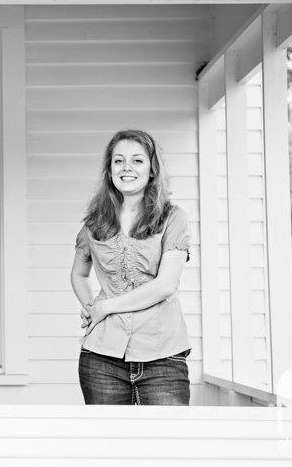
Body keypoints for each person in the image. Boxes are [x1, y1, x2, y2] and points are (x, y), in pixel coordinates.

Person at [70, 129, 192, 405]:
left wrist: (105, 307)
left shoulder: (174, 218)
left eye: (137, 160)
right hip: (101, 359)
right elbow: (78, 274)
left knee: (167, 446)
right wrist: (91, 305)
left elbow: (164, 286)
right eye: (118, 161)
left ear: (151, 170)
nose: (127, 168)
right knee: (108, 447)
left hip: (162, 357)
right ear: (109, 170)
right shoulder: (94, 224)